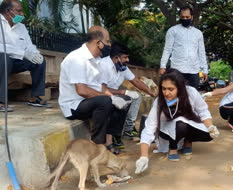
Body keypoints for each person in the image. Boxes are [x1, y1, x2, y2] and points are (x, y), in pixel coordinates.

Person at [58, 26, 131, 155]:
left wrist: (113, 97)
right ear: (98, 43)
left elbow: (100, 86)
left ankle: (109, 142)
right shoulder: (78, 59)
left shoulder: (95, 60)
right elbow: (82, 91)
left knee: (124, 101)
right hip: (74, 105)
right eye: (107, 41)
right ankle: (97, 145)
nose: (109, 45)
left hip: (88, 101)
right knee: (104, 101)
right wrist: (109, 98)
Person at [135, 69, 219, 174]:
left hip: (187, 124)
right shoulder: (159, 102)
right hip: (165, 130)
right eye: (164, 89)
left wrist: (210, 127)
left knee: (208, 134)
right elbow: (149, 128)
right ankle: (172, 147)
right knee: (180, 124)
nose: (166, 93)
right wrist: (144, 157)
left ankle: (188, 140)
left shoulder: (191, 92)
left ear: (180, 88)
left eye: (171, 89)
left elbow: (203, 111)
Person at [98, 42, 158, 149]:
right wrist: (124, 92)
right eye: (125, 57)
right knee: (125, 99)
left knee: (137, 96)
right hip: (100, 95)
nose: (128, 60)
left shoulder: (122, 67)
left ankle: (128, 129)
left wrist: (151, 93)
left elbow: (136, 81)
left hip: (114, 94)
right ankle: (116, 135)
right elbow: (101, 88)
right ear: (116, 58)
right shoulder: (104, 65)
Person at [0, 0, 49, 112]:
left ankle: (35, 97)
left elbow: (29, 46)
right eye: (19, 11)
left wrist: (36, 54)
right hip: (2, 61)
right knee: (4, 58)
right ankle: (1, 101)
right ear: (8, 11)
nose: (22, 14)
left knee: (39, 61)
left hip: (15, 61)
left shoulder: (21, 27)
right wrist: (23, 53)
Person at [158, 5, 208, 88]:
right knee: (177, 95)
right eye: (182, 17)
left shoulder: (198, 33)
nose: (185, 19)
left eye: (187, 17)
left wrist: (205, 70)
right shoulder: (172, 31)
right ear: (180, 17)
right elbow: (167, 49)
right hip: (177, 70)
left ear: (191, 17)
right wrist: (162, 66)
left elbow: (201, 52)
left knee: (192, 96)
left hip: (194, 70)